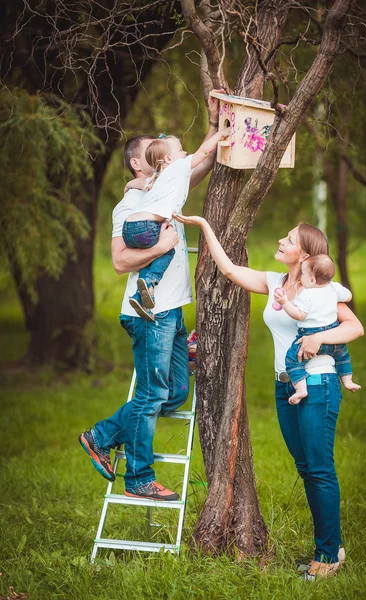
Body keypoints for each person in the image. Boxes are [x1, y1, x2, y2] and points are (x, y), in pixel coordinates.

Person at [173, 213, 364, 578]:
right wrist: (203, 225)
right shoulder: (276, 282)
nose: (281, 241)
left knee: (319, 469)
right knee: (307, 467)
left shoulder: (320, 290)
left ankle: (327, 557)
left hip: (318, 384)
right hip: (285, 386)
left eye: (289, 240)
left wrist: (320, 338)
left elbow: (355, 326)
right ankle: (332, 543)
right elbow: (229, 269)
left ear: (306, 255)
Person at [78, 90, 224, 501]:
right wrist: (161, 248)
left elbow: (201, 161)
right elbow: (121, 262)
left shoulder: (163, 185)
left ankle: (101, 435)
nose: (166, 160)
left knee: (174, 393)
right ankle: (140, 478)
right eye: (155, 154)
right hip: (148, 313)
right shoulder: (129, 205)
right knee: (149, 395)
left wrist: (215, 123)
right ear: (138, 163)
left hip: (172, 310)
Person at [120, 128, 229, 321]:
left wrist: (129, 184)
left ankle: (140, 295)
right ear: (169, 159)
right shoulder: (177, 168)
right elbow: (203, 153)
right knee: (167, 249)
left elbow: (140, 184)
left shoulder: (158, 179)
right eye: (180, 150)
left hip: (130, 228)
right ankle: (149, 281)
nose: (185, 153)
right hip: (146, 225)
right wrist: (220, 135)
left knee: (154, 254)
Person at [273, 253, 361, 404]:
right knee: (343, 356)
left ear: (312, 280)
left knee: (292, 360)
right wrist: (340, 295)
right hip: (333, 337)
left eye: (303, 275)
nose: (301, 278)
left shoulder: (307, 295)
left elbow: (299, 315)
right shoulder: (334, 287)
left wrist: (284, 302)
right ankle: (348, 381)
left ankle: (301, 389)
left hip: (310, 336)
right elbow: (348, 296)